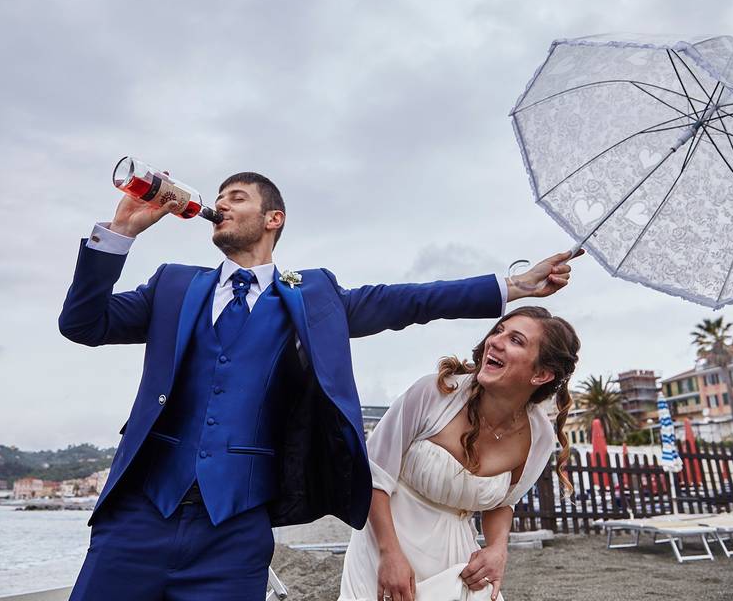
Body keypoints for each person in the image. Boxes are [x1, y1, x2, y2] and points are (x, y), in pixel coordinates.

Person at [58, 172, 576, 600]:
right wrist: (120, 231)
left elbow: (409, 302)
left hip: (236, 530)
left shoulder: (315, 297)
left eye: (236, 197)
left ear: (272, 219)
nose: (220, 205)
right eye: (217, 198)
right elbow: (83, 324)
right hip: (137, 517)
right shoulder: (172, 284)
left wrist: (511, 287)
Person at [338, 306, 579, 601]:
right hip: (385, 541)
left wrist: (497, 550)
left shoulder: (538, 437)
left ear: (541, 374)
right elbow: (373, 475)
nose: (496, 341)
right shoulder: (435, 393)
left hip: (457, 559)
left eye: (516, 340)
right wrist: (390, 555)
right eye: (499, 331)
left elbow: (504, 503)